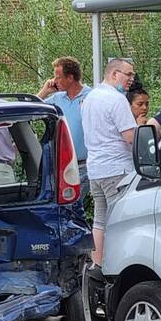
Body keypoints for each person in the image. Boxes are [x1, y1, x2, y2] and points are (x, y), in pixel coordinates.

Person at [81, 58, 137, 269]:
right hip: (118, 169)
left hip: (95, 169)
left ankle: (97, 266)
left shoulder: (90, 98)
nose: (131, 79)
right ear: (114, 74)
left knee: (100, 219)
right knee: (120, 220)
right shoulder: (117, 99)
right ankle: (118, 267)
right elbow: (130, 137)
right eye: (128, 74)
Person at [37, 57, 92, 196]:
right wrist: (45, 91)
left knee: (73, 204)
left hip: (84, 165)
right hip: (61, 166)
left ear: (70, 78)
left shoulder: (91, 97)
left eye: (58, 77)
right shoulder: (57, 99)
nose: (54, 81)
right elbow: (32, 108)